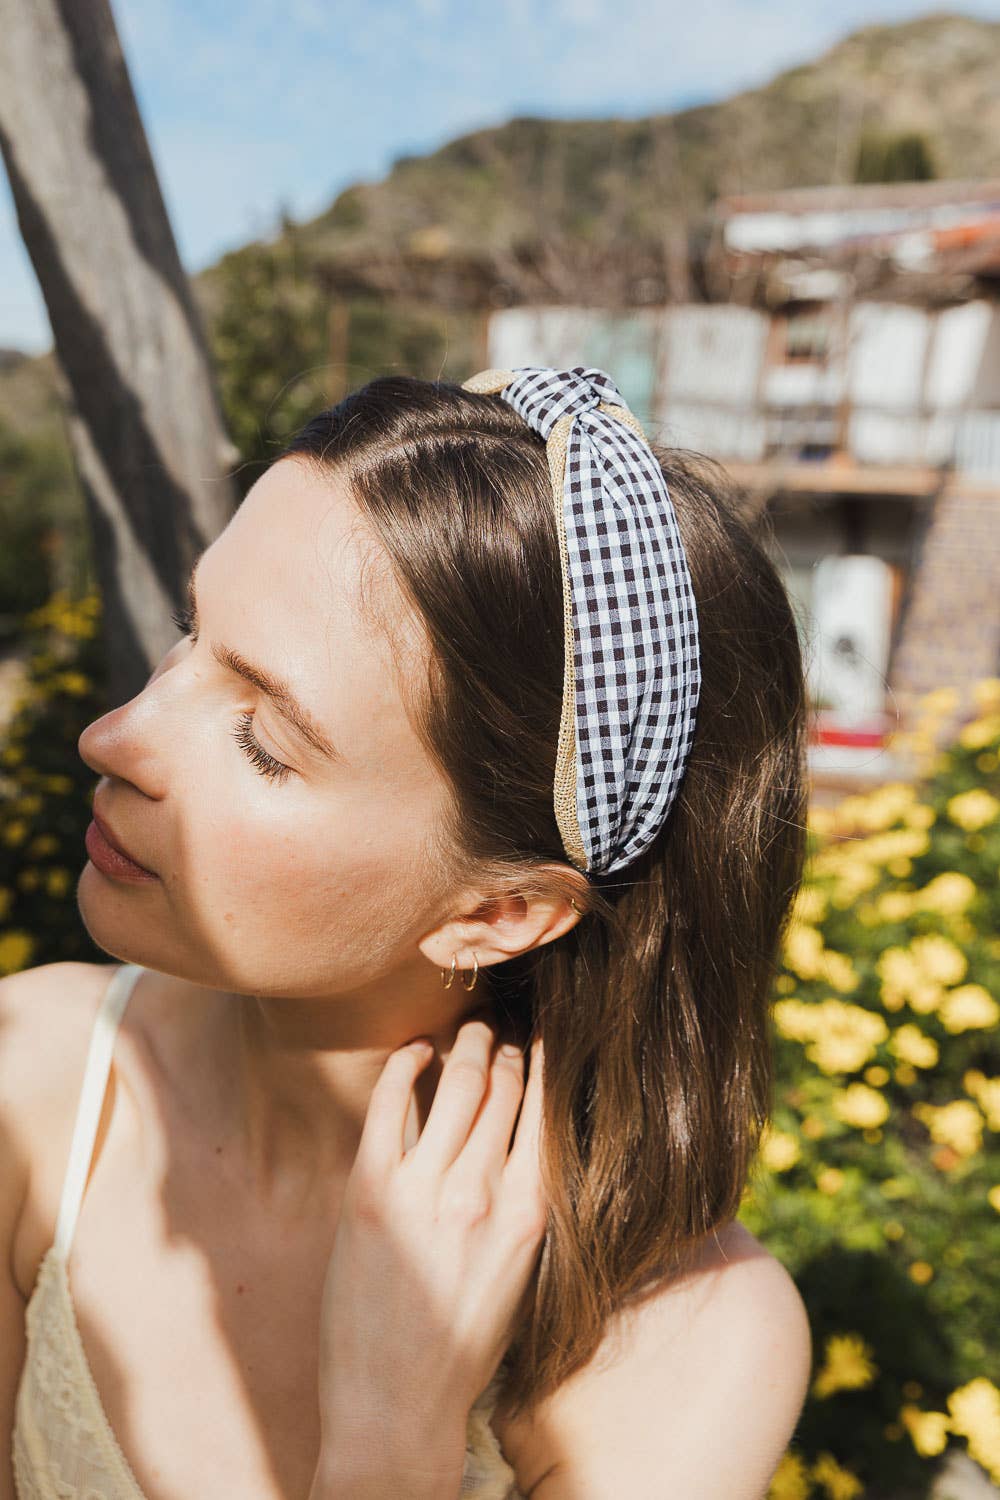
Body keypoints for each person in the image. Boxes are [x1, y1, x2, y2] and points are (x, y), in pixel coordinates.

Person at [1, 366, 813, 1500]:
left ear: (500, 910)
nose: (113, 737)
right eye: (191, 633)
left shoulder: (681, 1342)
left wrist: (391, 1438)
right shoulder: (30, 1091)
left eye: (266, 741)